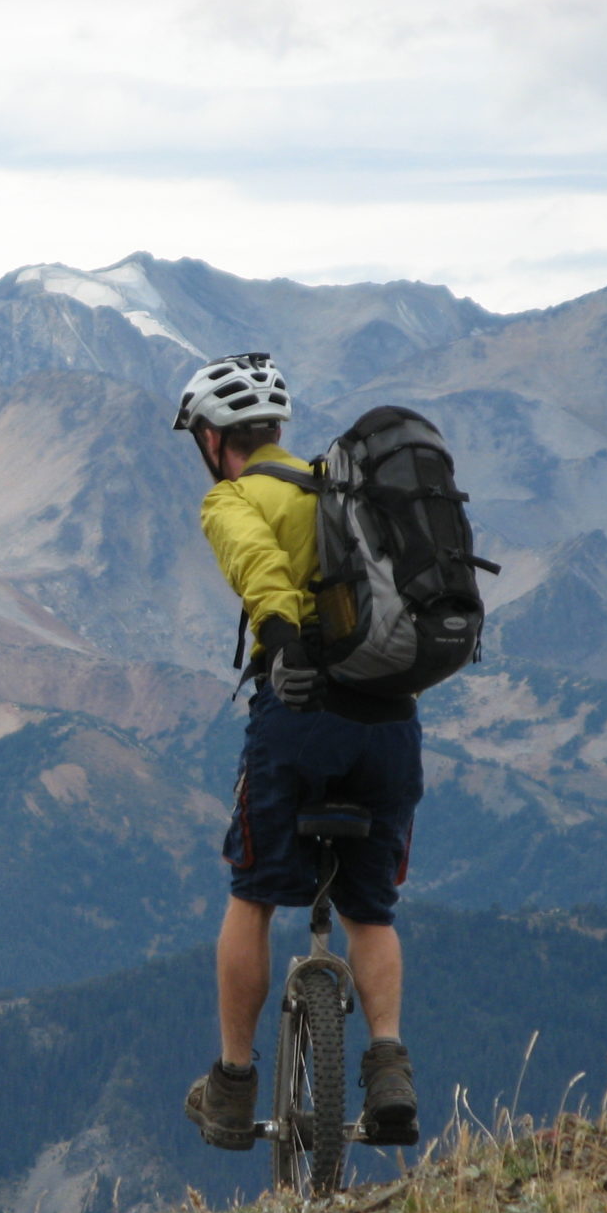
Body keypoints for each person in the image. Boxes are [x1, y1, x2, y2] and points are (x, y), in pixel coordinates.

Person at [172, 353, 421, 1151]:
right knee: (370, 910)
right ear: (277, 429)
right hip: (391, 724)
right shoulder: (340, 487)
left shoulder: (236, 497)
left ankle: (235, 1086)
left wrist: (283, 637)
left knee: (252, 895)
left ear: (215, 440)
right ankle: (387, 1071)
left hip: (302, 715)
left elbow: (259, 569)